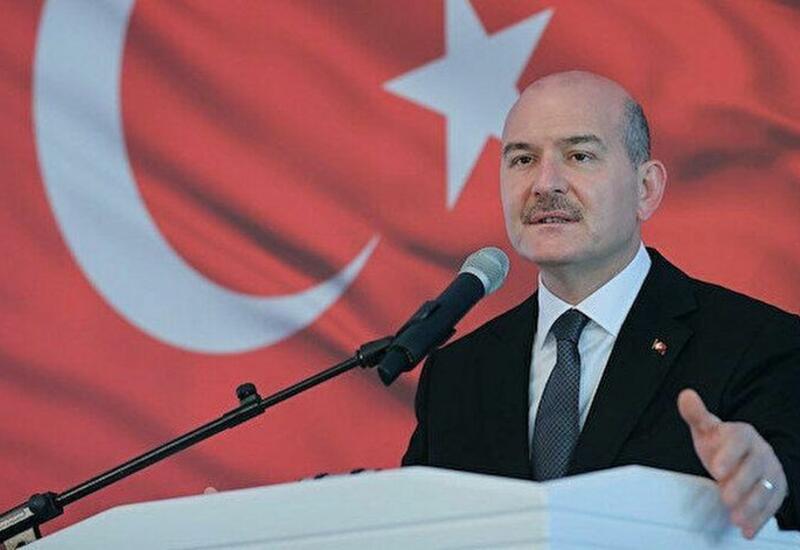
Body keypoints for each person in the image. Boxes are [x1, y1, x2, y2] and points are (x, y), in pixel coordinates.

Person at [402, 71, 800, 538]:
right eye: (523, 159)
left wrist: (771, 481)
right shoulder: (454, 376)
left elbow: (785, 488)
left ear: (646, 188)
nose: (545, 183)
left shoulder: (758, 344)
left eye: (579, 156)